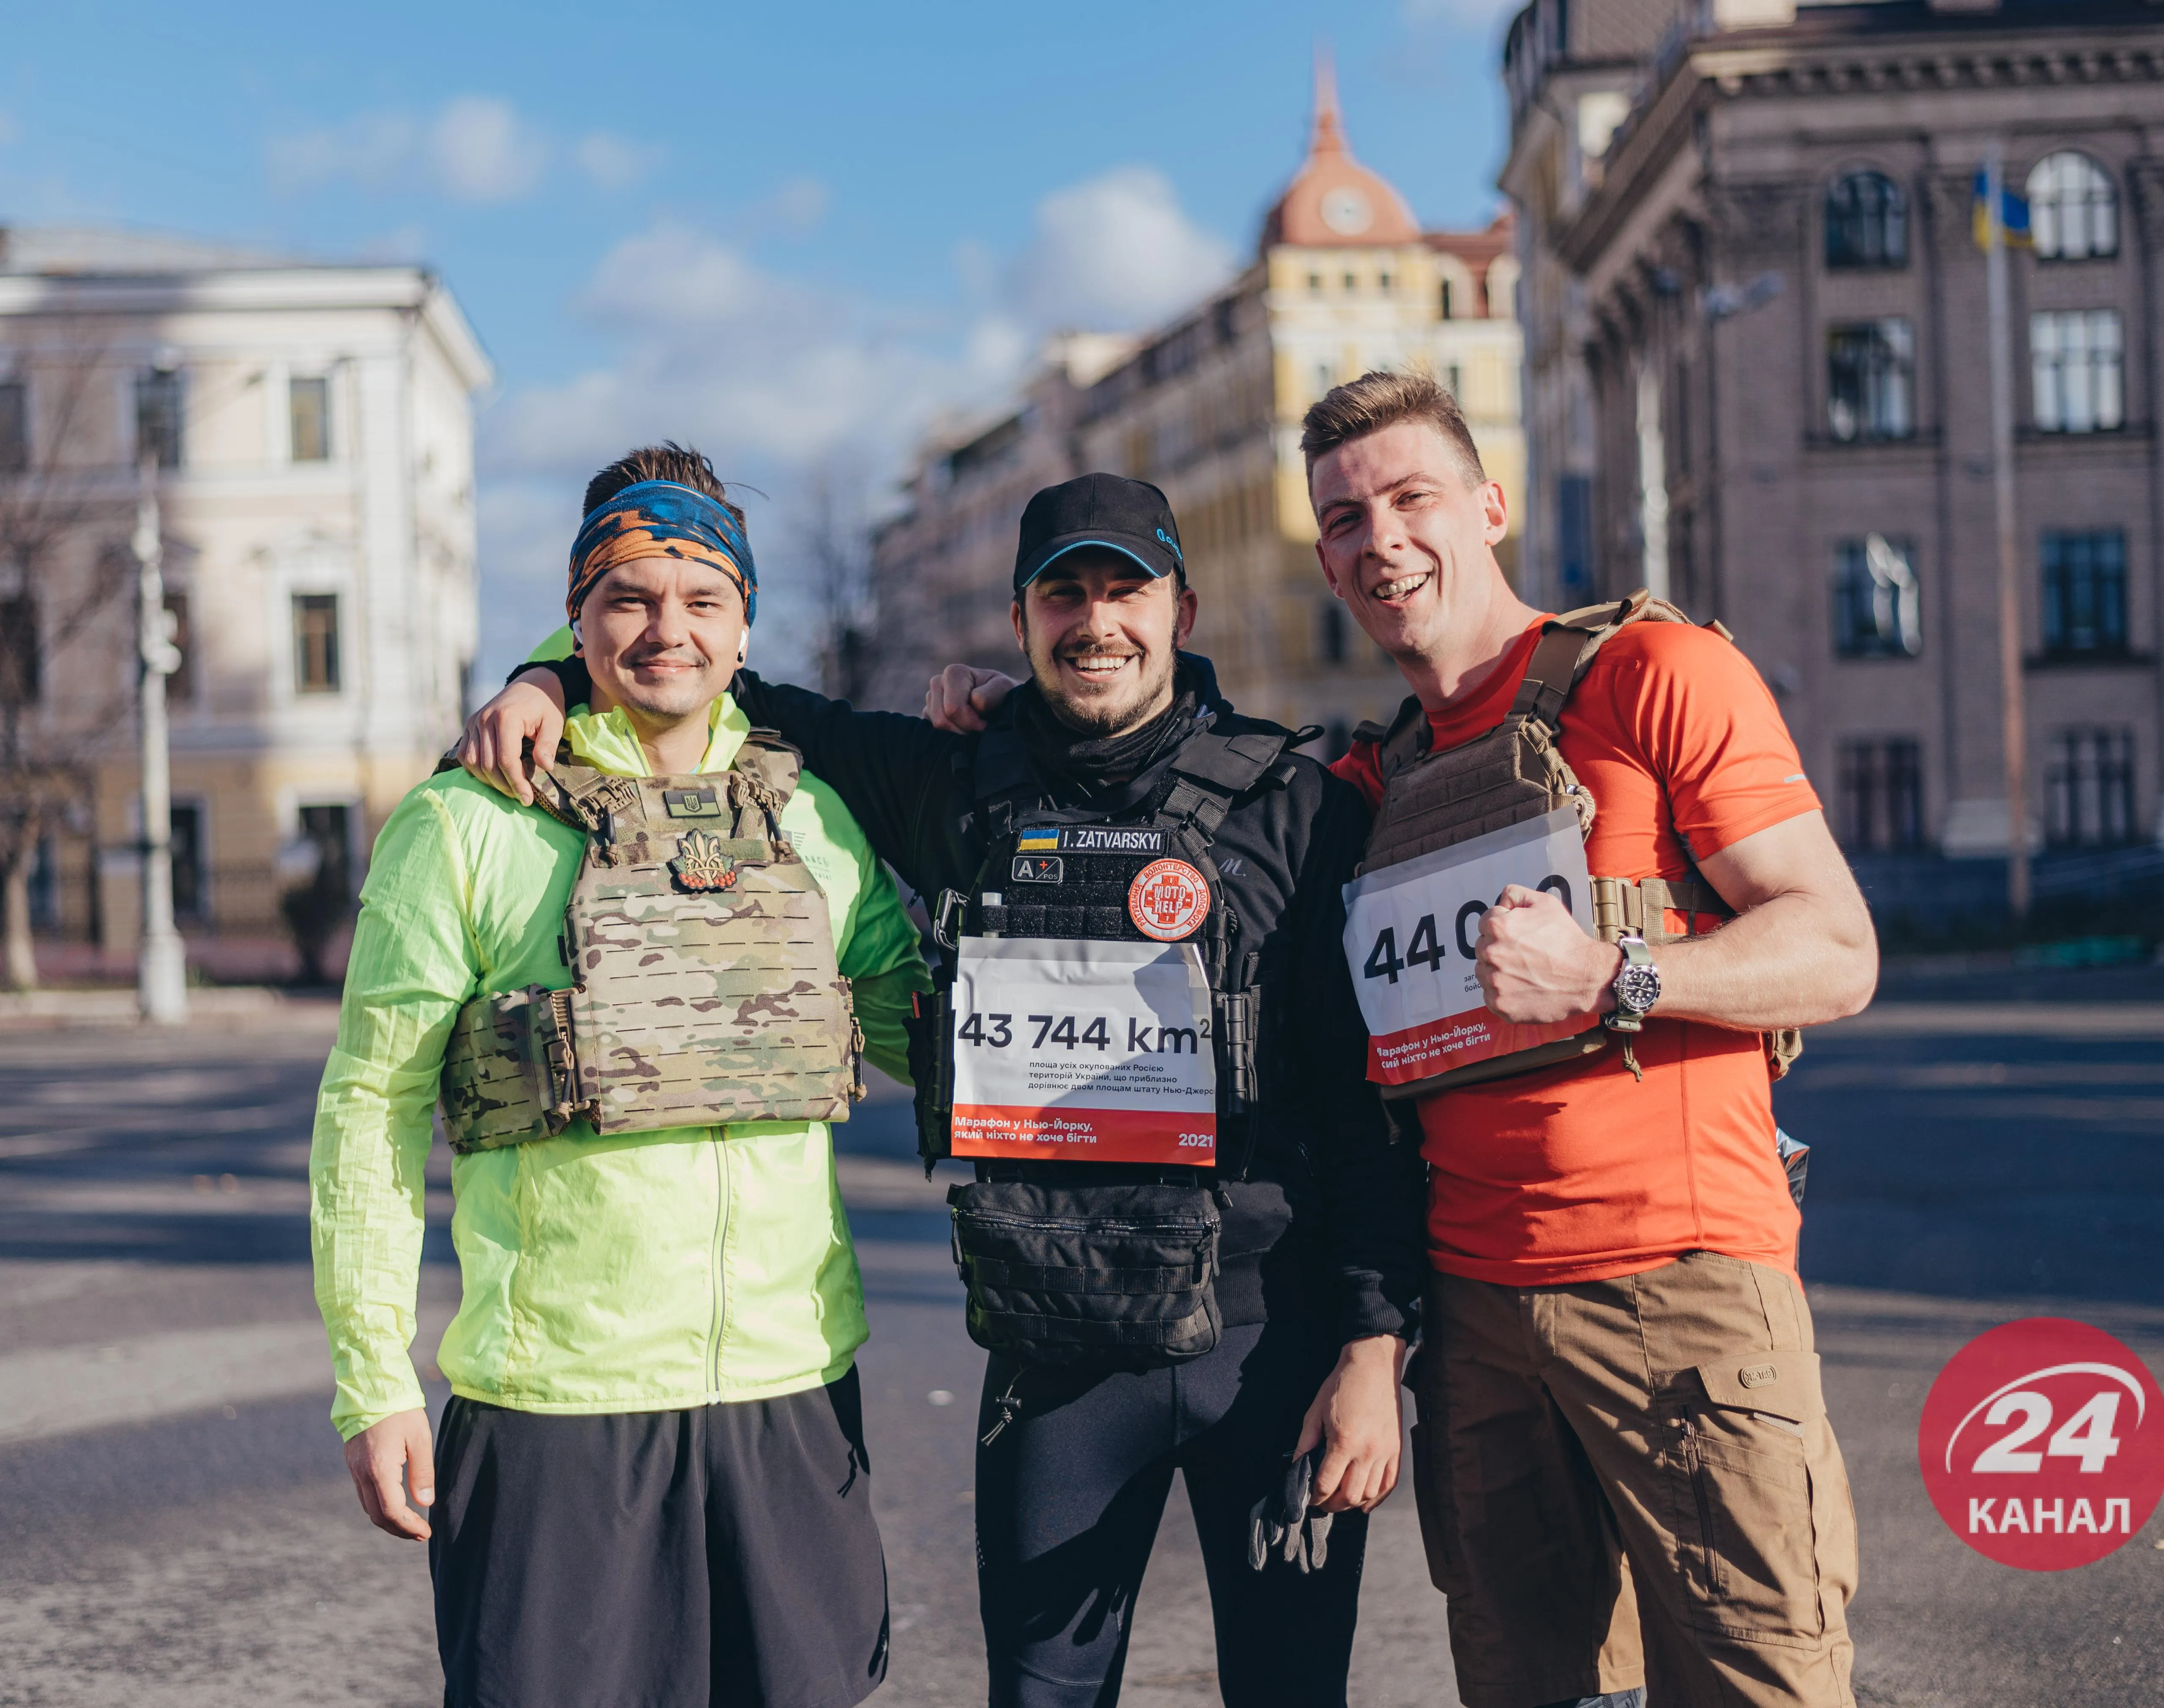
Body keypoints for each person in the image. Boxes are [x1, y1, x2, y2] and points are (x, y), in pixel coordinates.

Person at [924, 374, 1877, 1708]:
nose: (1382, 541)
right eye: (1345, 518)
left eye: (1412, 498)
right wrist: (1004, 713)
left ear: (1492, 504)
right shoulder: (1371, 783)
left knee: (1755, 1683)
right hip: (1475, 1318)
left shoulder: (1656, 676)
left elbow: (1837, 952)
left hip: (1681, 1283)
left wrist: (1615, 973)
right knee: (1528, 1689)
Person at [463, 473, 1426, 1708]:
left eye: (1127, 590)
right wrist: (542, 677)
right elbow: (695, 660)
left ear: (1183, 610)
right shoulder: (945, 781)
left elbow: (1364, 1120)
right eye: (1062, 593)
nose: (1097, 622)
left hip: (1269, 1345)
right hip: (1055, 1356)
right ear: (1021, 620)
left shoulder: (1293, 803)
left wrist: (1371, 1345)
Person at [311, 444, 929, 1708]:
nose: (667, 632)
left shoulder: (811, 823)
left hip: (788, 1389)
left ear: (747, 624)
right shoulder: (469, 822)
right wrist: (373, 1383)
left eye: (703, 600)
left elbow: (925, 1035)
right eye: (628, 600)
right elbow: (372, 1107)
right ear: (577, 617)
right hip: (559, 1406)